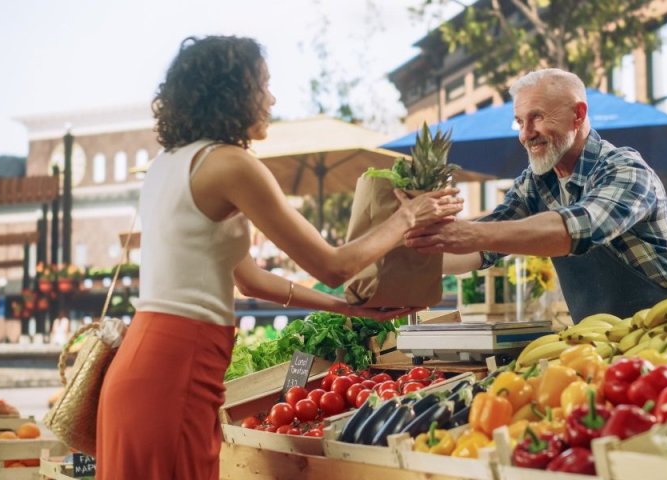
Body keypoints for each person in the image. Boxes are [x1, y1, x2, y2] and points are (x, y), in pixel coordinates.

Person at [96, 36, 462, 479]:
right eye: (263, 85)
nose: (272, 99)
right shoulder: (233, 164)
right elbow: (331, 265)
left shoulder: (169, 163)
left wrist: (346, 308)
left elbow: (248, 280)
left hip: (143, 365)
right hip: (178, 369)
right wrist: (406, 217)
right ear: (232, 93)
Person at [405, 68, 667, 323]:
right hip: (604, 341)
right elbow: (482, 248)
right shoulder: (536, 183)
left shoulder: (626, 170)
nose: (526, 134)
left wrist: (471, 232)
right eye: (520, 122)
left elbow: (578, 229)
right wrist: (406, 261)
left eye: (537, 117)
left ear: (578, 114)